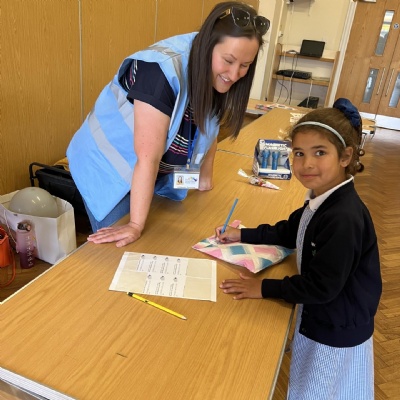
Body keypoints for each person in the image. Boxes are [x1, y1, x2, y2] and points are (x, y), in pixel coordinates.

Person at [216, 98, 382, 399]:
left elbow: (321, 287)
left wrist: (263, 287)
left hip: (335, 329)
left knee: (321, 389)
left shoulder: (343, 217)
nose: (307, 164)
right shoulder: (322, 196)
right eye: (299, 153)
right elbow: (290, 230)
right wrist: (242, 234)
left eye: (320, 152)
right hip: (325, 315)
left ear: (345, 156)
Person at [67, 2, 270, 247]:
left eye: (245, 65)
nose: (235, 74)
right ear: (208, 45)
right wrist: (135, 225)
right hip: (107, 168)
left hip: (152, 171)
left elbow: (209, 126)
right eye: (228, 60)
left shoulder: (215, 72)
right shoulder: (160, 71)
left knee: (168, 238)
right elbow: (147, 158)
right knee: (124, 250)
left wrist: (205, 179)